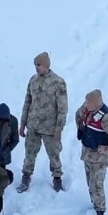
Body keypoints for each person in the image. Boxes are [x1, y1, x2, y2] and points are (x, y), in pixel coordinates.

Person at [18, 51, 69, 193]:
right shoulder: (33, 80)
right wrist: (22, 124)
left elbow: (63, 108)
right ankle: (26, 177)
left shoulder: (58, 82)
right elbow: (27, 102)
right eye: (35, 65)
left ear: (46, 65)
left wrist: (59, 128)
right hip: (33, 126)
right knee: (29, 154)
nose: (36, 67)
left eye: (39, 65)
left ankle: (57, 178)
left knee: (54, 154)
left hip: (50, 128)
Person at [75, 89, 108, 215]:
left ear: (97, 104)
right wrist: (81, 129)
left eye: (88, 103)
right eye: (86, 102)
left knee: (97, 184)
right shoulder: (86, 109)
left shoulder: (107, 118)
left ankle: (100, 212)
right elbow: (78, 115)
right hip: (87, 153)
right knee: (89, 182)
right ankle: (94, 204)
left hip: (99, 157)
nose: (85, 105)